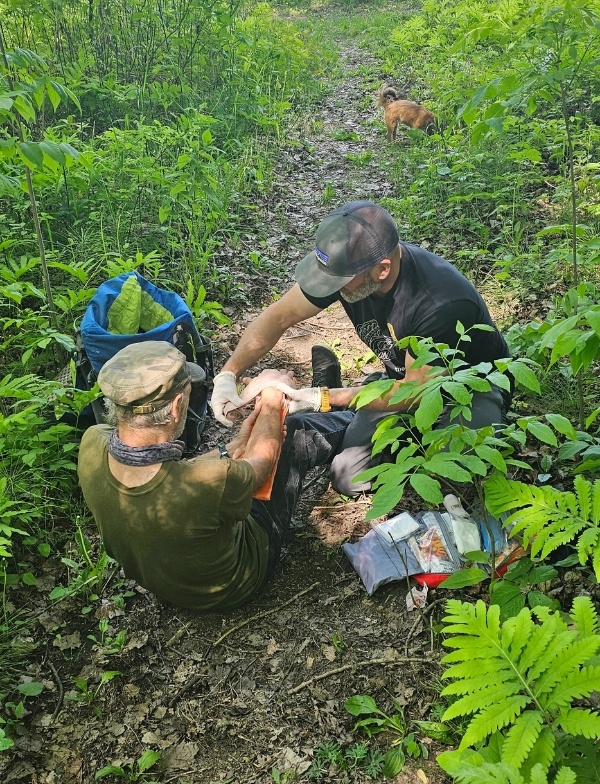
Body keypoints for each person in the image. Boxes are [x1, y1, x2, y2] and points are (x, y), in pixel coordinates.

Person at [210, 200, 512, 496]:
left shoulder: (439, 304)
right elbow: (278, 316)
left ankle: (338, 396)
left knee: (464, 468)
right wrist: (227, 374)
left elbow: (417, 391)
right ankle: (346, 401)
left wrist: (323, 399)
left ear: (382, 270)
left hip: (470, 389)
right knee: (350, 477)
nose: (329, 289)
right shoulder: (350, 268)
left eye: (338, 282)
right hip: (402, 379)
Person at [77, 341, 353, 611]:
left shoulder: (93, 442)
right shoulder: (206, 483)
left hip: (169, 580)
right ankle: (355, 412)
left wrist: (228, 449)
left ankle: (328, 399)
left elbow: (171, 475)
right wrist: (273, 397)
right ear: (175, 407)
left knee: (260, 439)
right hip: (235, 583)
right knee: (295, 433)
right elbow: (261, 464)